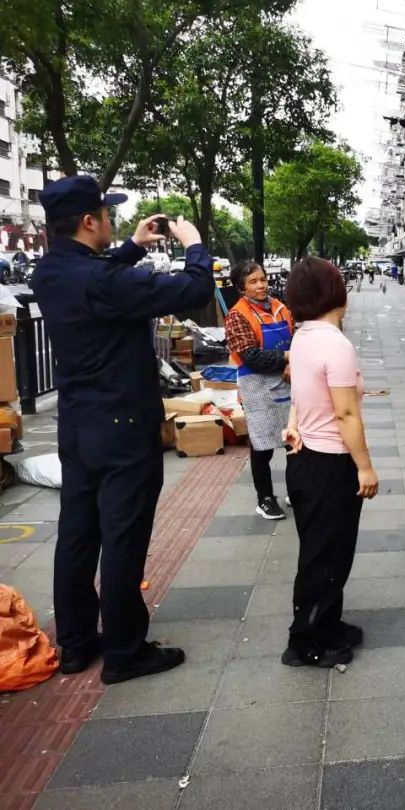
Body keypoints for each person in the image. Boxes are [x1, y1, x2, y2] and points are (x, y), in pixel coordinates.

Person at [31, 176, 214, 683]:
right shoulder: (100, 280)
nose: (111, 222)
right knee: (123, 538)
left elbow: (98, 277)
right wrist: (194, 245)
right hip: (123, 427)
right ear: (90, 221)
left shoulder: (51, 271)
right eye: (107, 215)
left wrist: (131, 247)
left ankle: (75, 644)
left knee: (77, 535)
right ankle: (125, 652)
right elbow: (195, 289)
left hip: (78, 426)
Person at [281, 257, 379, 668]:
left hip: (306, 461)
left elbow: (300, 391)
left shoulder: (303, 336)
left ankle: (328, 624)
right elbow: (346, 415)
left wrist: (293, 424)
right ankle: (305, 643)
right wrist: (365, 466)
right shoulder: (335, 344)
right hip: (328, 465)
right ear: (334, 292)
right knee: (326, 557)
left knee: (324, 552)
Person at [225, 261, 294, 520]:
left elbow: (297, 335)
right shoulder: (237, 315)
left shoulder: (281, 308)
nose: (261, 285)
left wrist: (292, 362)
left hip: (288, 382)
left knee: (294, 441)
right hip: (257, 386)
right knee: (262, 446)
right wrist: (288, 358)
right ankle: (265, 498)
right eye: (253, 281)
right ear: (241, 288)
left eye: (262, 279)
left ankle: (295, 491)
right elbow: (252, 356)